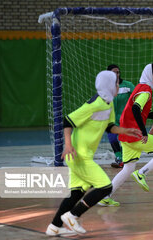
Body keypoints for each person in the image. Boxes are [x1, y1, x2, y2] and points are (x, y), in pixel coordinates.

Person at [45, 70, 141, 236]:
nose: (118, 86)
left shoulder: (108, 103)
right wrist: (68, 145)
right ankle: (73, 216)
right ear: (108, 86)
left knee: (76, 193)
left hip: (82, 155)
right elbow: (67, 120)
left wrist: (127, 130)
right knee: (105, 187)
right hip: (78, 155)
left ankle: (54, 227)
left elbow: (109, 126)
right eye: (116, 83)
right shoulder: (94, 104)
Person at [99, 63, 153, 206]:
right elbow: (136, 109)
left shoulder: (139, 87)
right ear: (151, 75)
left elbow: (143, 112)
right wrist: (143, 132)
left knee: (128, 168)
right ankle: (142, 173)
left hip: (126, 134)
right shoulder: (146, 90)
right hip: (135, 135)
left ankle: (105, 196)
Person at [107, 64, 135, 168]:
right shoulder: (106, 87)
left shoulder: (128, 85)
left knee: (124, 140)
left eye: (118, 72)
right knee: (113, 139)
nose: (117, 74)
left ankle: (123, 159)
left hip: (125, 119)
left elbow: (136, 97)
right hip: (111, 119)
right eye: (114, 72)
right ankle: (118, 157)